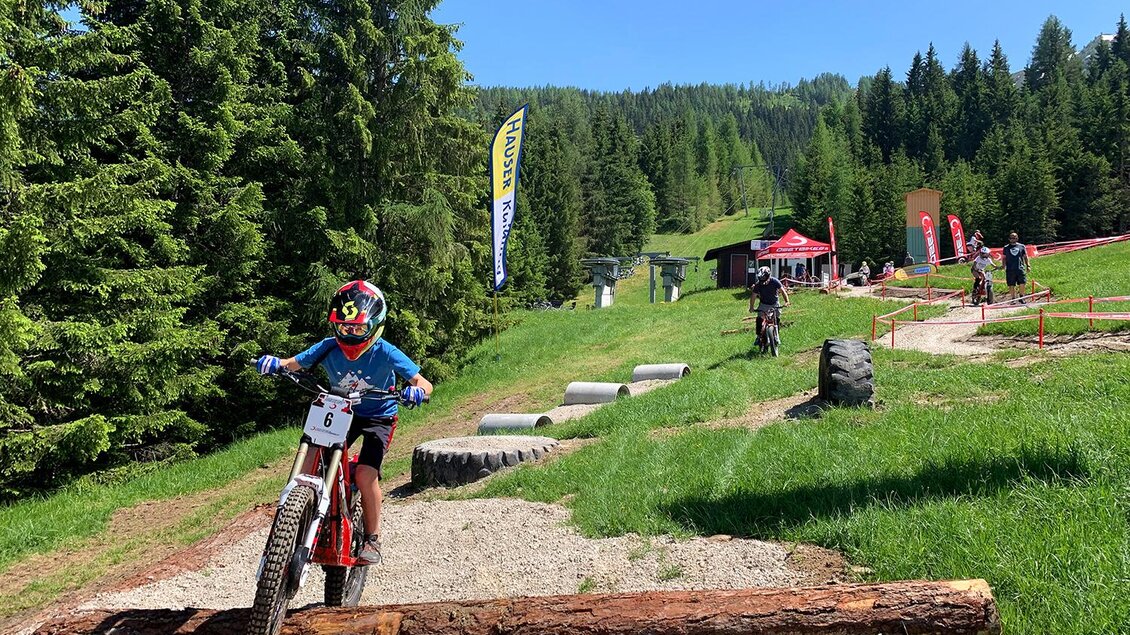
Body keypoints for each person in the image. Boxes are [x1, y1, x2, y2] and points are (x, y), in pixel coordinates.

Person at [255, 280, 433, 565]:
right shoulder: (328, 347)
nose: (350, 334)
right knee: (312, 455)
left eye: (358, 328)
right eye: (344, 327)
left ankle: (373, 538)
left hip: (379, 416)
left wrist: (417, 391)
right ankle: (299, 514)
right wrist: (273, 362)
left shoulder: (386, 352)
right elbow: (293, 363)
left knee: (364, 475)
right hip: (341, 410)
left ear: (375, 326)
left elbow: (423, 382)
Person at [749, 266, 790, 341]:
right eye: (760, 278)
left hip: (774, 303)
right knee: (759, 319)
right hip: (764, 304)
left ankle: (776, 333)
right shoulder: (758, 285)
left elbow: (783, 291)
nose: (762, 279)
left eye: (763, 277)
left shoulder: (775, 281)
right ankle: (758, 336)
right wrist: (751, 307)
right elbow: (753, 296)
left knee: (776, 318)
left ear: (768, 276)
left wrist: (786, 301)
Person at [1001, 231, 1031, 303]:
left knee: (1022, 282)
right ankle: (1013, 299)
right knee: (1011, 284)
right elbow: (1004, 258)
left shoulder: (1022, 246)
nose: (1013, 239)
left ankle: (1022, 297)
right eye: (1011, 238)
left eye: (1014, 238)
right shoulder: (1006, 248)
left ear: (1017, 238)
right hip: (1010, 269)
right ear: (1009, 239)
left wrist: (1028, 265)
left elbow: (1025, 257)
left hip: (1020, 268)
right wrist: (1003, 265)